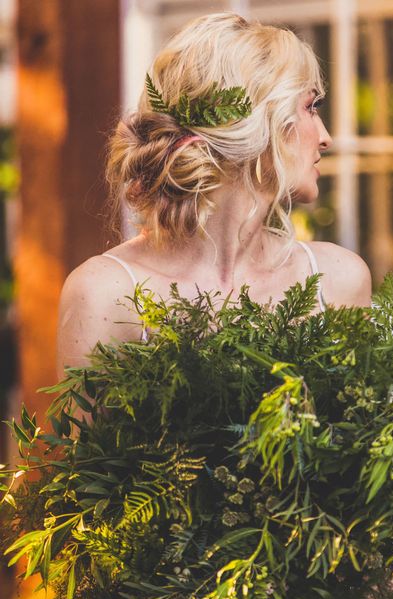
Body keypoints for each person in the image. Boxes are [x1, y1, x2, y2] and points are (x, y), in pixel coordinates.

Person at [56, 11, 371, 377]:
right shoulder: (105, 294)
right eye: (309, 107)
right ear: (256, 123)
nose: (325, 136)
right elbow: (83, 435)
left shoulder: (338, 280)